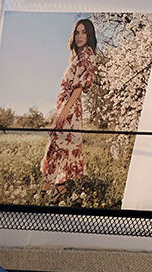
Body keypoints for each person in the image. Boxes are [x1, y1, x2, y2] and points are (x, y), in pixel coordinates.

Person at [40, 18, 97, 203]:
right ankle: (55, 193)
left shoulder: (87, 54)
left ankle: (46, 193)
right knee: (61, 148)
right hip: (66, 105)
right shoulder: (78, 57)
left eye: (84, 32)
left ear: (89, 35)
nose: (79, 36)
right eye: (77, 32)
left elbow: (79, 88)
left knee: (59, 147)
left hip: (70, 108)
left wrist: (65, 110)